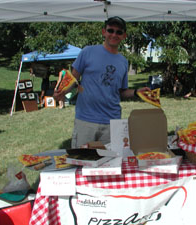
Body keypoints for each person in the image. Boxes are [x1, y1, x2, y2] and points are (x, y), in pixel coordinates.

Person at [53, 16, 150, 148]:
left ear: (124, 36)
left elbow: (121, 92)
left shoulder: (123, 61)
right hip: (86, 120)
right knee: (82, 162)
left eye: (119, 32)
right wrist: (62, 92)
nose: (114, 34)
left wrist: (137, 92)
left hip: (112, 122)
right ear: (104, 31)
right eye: (111, 30)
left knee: (110, 163)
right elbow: (73, 78)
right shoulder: (88, 51)